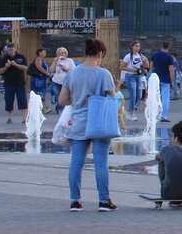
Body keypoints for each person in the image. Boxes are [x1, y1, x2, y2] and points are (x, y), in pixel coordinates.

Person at [59, 38, 117, 212]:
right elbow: (113, 99)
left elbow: (62, 100)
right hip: (99, 123)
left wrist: (77, 100)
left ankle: (75, 201)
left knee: (76, 163)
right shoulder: (103, 74)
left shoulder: (72, 73)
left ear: (86, 53)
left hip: (78, 122)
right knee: (101, 163)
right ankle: (104, 201)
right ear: (100, 54)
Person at [0, 42, 29, 124]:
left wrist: (16, 65)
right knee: (8, 100)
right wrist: (6, 67)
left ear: (15, 49)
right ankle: (9, 118)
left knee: (22, 100)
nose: (11, 51)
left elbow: (26, 68)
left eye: (12, 49)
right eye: (9, 50)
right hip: (9, 83)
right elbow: (0, 72)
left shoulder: (21, 57)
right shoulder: (4, 58)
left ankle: (25, 118)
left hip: (20, 83)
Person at [120, 41, 149, 121]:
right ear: (132, 47)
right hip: (130, 76)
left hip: (138, 76)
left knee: (139, 95)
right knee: (133, 95)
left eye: (139, 46)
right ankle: (132, 113)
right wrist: (132, 69)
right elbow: (122, 67)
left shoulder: (141, 56)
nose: (138, 48)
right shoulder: (128, 56)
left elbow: (147, 66)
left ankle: (129, 110)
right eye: (136, 46)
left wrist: (145, 61)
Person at [149, 40, 176, 122]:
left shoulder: (155, 55)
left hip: (156, 78)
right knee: (165, 98)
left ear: (162, 45)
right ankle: (163, 116)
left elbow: (151, 67)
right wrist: (172, 82)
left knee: (155, 97)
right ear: (168, 47)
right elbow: (171, 70)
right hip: (165, 79)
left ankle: (154, 114)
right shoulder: (169, 57)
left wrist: (150, 77)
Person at [49, 47, 75, 112]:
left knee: (64, 97)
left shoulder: (70, 61)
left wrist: (66, 69)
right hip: (56, 81)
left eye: (62, 53)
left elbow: (74, 72)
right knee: (58, 95)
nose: (61, 55)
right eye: (59, 53)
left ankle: (63, 109)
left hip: (66, 82)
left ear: (65, 54)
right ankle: (61, 111)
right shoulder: (56, 61)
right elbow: (51, 71)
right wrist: (55, 62)